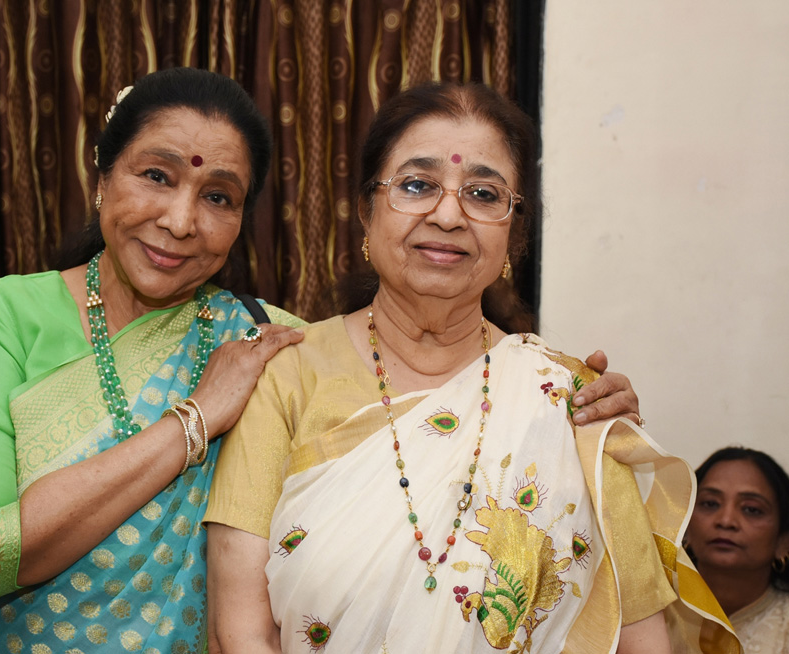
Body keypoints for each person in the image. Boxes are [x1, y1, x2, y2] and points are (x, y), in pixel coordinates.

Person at [0, 68, 640, 653]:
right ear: (102, 178)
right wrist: (196, 418)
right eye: (155, 176)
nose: (181, 220)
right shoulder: (9, 313)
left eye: (218, 197)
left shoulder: (273, 347)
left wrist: (582, 411)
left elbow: (414, 357)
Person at [204, 81, 740, 654]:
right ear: (365, 211)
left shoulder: (568, 398)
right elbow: (240, 630)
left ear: (515, 229)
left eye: (484, 194)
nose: (448, 213)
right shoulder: (286, 376)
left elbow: (639, 635)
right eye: (416, 185)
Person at [685, 447, 789, 653]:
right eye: (710, 503)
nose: (726, 521)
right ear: (685, 526)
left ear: (783, 542)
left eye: (751, 509)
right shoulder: (650, 613)